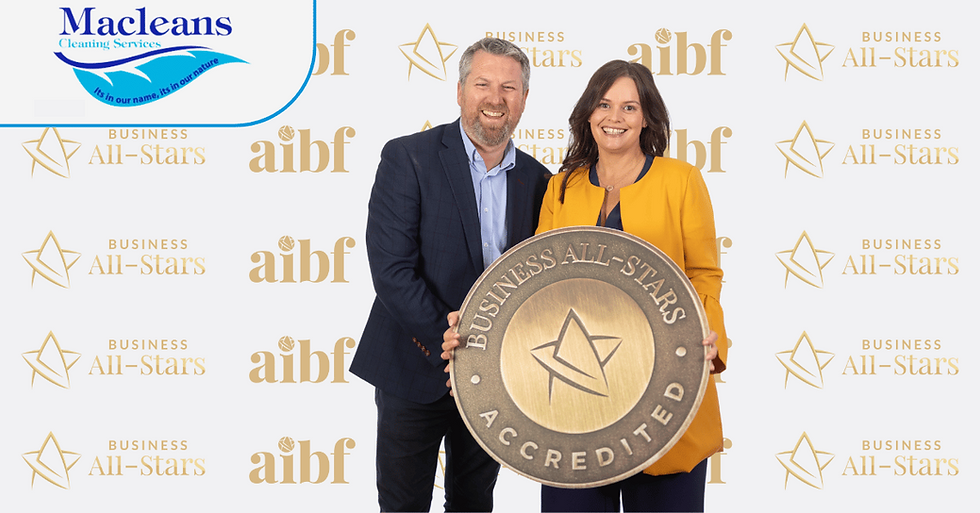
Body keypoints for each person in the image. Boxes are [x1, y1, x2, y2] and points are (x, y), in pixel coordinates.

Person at [442, 60, 727, 512]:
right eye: (605, 104)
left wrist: (707, 340)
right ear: (588, 114)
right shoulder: (561, 188)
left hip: (666, 391)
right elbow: (533, 287)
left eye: (629, 107)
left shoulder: (682, 181)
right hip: (572, 413)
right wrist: (477, 329)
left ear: (647, 117)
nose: (615, 117)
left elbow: (705, 275)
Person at [350, 37, 550, 512]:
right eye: (483, 84)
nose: (495, 98)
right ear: (460, 91)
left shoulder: (540, 180)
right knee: (403, 505)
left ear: (523, 98)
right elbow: (392, 269)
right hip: (412, 366)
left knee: (474, 502)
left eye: (509, 87)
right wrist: (449, 333)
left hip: (494, 378)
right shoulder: (408, 157)